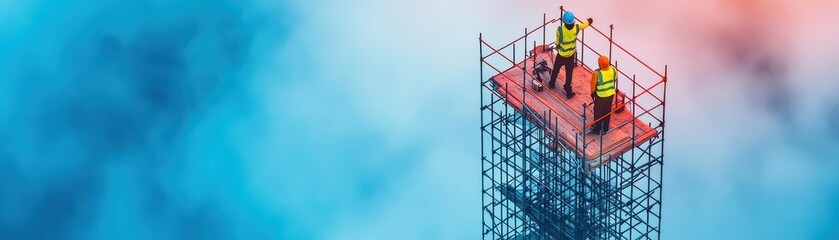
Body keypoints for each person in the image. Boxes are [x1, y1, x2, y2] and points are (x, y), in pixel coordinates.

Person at [549, 11, 593, 99]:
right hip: (570, 56)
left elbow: (557, 42)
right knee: (569, 74)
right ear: (573, 21)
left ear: (564, 22)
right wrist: (589, 21)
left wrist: (558, 47)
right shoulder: (576, 28)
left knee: (556, 69)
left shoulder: (560, 30)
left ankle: (552, 83)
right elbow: (583, 25)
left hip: (561, 55)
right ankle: (568, 91)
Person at [589, 55, 616, 135]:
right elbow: (615, 78)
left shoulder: (597, 73)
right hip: (610, 94)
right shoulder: (613, 70)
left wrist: (592, 94)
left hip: (601, 95)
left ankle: (597, 129)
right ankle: (605, 127)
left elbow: (593, 86)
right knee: (607, 111)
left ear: (599, 64)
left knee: (598, 112)